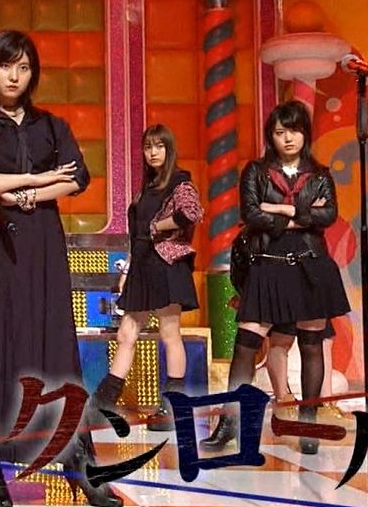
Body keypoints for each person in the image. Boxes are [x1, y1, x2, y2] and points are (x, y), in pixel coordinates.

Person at [0, 30, 122, 507]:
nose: (14, 76)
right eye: (7, 66)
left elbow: (77, 176)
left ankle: (77, 460)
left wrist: (27, 194)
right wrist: (32, 178)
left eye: (23, 68)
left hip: (42, 240)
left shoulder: (51, 124)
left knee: (52, 344)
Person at [201, 100, 350, 455]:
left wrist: (280, 209)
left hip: (311, 265)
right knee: (246, 344)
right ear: (271, 136)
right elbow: (252, 214)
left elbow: (328, 215)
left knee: (311, 344)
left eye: (294, 131)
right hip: (267, 264)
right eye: (281, 132)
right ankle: (230, 424)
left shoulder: (320, 174)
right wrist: (302, 215)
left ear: (305, 134)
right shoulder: (256, 171)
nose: (288, 138)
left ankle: (308, 424)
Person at [93, 125, 203, 431]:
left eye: (159, 146)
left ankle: (173, 409)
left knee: (169, 333)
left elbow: (191, 213)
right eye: (147, 147)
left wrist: (159, 226)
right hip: (142, 265)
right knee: (126, 333)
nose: (152, 152)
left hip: (167, 264)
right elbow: (136, 236)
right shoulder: (147, 187)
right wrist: (128, 269)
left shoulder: (179, 181)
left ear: (169, 149)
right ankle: (103, 402)